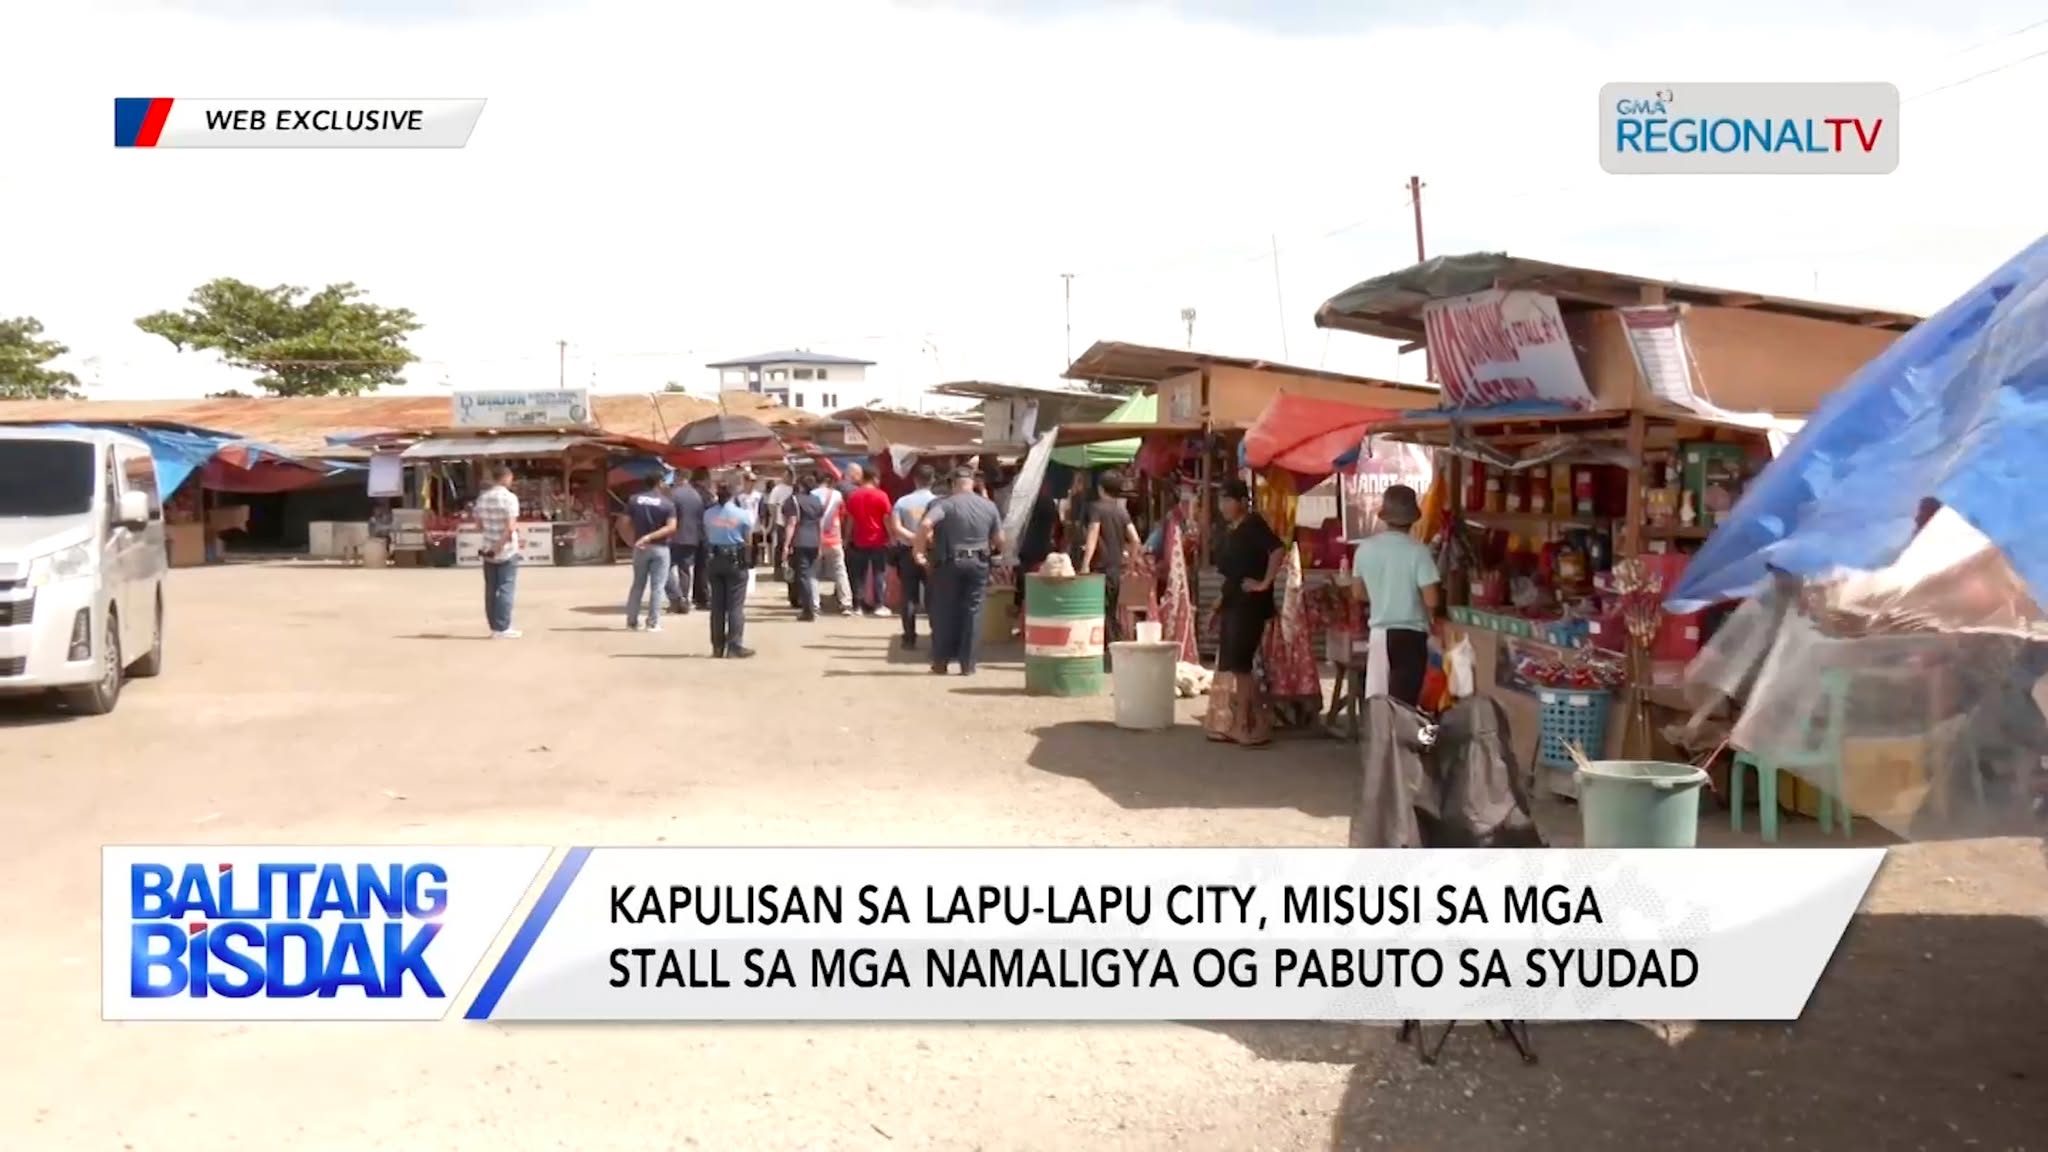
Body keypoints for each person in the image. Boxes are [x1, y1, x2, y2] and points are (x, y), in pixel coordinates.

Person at [1205, 479, 1284, 746]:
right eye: (1220, 500)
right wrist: (1216, 608)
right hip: (1232, 603)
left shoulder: (1254, 525)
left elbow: (1277, 549)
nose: (1223, 506)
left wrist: (1265, 583)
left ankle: (1244, 726)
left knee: (1242, 666)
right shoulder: (1231, 531)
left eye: (1228, 500)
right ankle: (1255, 722)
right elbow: (1231, 577)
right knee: (1233, 665)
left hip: (1250, 605)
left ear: (1241, 501)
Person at [1349, 484, 1441, 708]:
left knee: (1380, 703)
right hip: (1411, 637)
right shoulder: (1419, 551)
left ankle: (1382, 743)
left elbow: (1358, 593)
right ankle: (1403, 743)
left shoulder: (1365, 549)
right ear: (1413, 518)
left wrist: (1385, 595)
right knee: (1404, 705)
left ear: (1385, 516)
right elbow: (1432, 600)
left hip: (1379, 635)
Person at [915, 465, 1005, 676]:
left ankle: (941, 662)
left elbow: (926, 524)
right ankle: (968, 665)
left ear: (953, 484)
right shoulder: (989, 506)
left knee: (945, 612)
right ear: (972, 483)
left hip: (949, 563)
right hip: (979, 563)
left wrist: (918, 551)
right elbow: (1000, 540)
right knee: (973, 613)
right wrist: (998, 552)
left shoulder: (945, 505)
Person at [1079, 468, 1143, 646]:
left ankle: (1111, 645)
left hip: (1099, 568)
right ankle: (1114, 645)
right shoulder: (1122, 511)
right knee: (1111, 610)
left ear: (1101, 488)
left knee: (1098, 611)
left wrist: (1085, 564)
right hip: (1115, 569)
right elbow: (1136, 540)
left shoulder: (1096, 508)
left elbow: (1093, 534)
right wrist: (1130, 564)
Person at [703, 478, 757, 658]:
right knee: (735, 606)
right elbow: (748, 540)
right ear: (733, 494)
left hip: (714, 558)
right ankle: (734, 646)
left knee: (717, 606)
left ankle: (717, 647)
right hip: (735, 559)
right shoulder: (742, 515)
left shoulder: (708, 514)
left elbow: (707, 533)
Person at [890, 464, 940, 648]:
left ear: (915, 479)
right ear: (933, 479)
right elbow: (938, 528)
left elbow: (896, 528)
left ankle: (909, 637)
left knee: (909, 596)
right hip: (930, 552)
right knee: (934, 595)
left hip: (906, 553)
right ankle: (937, 635)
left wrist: (912, 539)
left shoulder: (902, 502)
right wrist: (923, 539)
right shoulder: (938, 501)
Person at [624, 473, 678, 632]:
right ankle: (653, 623)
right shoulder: (667, 504)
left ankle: (632, 621)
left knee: (637, 585)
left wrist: (631, 540)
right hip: (660, 547)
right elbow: (671, 527)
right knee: (657, 587)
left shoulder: (634, 500)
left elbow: (623, 522)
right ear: (660, 483)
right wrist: (650, 537)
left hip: (640, 548)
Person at [474, 464, 523, 639]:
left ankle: (494, 626)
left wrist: (491, 541)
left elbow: (478, 525)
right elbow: (510, 528)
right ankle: (503, 627)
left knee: (491, 588)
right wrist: (500, 545)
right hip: (506, 550)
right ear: (505, 478)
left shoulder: (483, 498)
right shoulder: (510, 498)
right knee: (506, 587)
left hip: (487, 548)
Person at [844, 467, 894, 616]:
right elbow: (886, 519)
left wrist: (847, 538)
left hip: (859, 540)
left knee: (859, 575)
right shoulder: (881, 496)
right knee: (879, 573)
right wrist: (891, 536)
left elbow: (850, 520)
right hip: (879, 540)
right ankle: (879, 605)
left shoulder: (853, 496)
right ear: (874, 478)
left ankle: (857, 606)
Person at [783, 470, 827, 622]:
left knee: (803, 576)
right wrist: (821, 544)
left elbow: (791, 523)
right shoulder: (816, 501)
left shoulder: (794, 500)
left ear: (800, 485)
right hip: (814, 540)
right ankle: (810, 607)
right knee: (810, 574)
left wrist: (786, 545)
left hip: (800, 540)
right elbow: (820, 524)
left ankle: (808, 610)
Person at [664, 467, 707, 615]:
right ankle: (684, 600)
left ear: (678, 476)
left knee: (665, 568)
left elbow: (669, 516)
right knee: (685, 570)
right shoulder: (696, 495)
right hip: (693, 537)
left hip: (675, 536)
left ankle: (676, 598)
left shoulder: (673, 494)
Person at [814, 467, 852, 615]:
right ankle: (846, 604)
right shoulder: (837, 495)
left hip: (816, 539)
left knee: (814, 573)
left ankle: (815, 605)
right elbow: (843, 516)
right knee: (840, 571)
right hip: (834, 538)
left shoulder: (812, 495)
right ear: (830, 482)